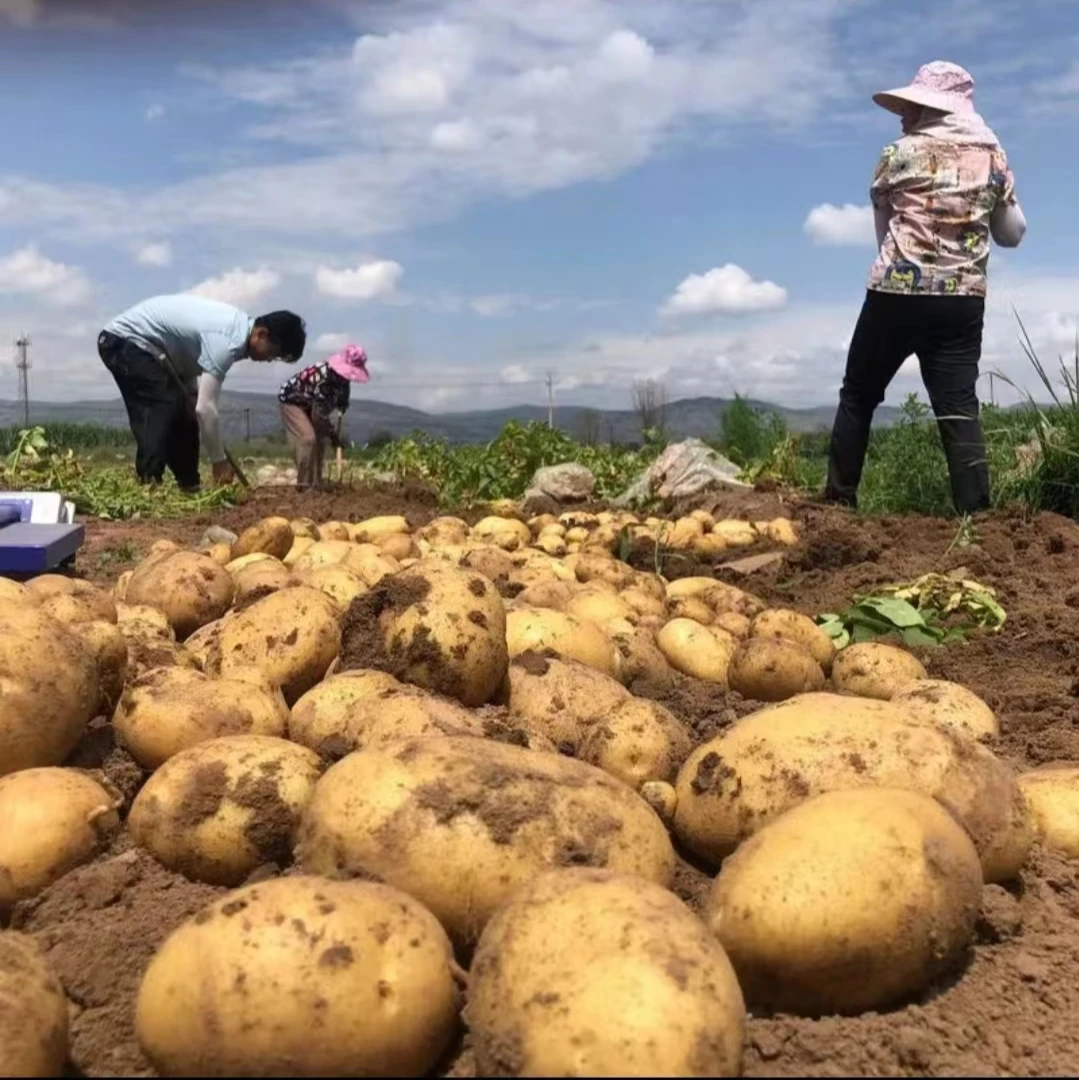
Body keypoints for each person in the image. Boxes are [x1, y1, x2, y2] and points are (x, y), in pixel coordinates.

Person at [825, 61, 1027, 515]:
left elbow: (884, 234)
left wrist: (908, 268)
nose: (903, 115)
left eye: (911, 107)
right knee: (958, 409)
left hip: (894, 294)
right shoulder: (992, 157)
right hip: (961, 302)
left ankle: (837, 508)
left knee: (858, 395)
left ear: (932, 109)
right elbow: (1012, 234)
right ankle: (976, 520)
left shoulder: (896, 154)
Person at [97, 295, 307, 492]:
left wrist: (190, 395)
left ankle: (189, 485)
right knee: (162, 405)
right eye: (272, 353)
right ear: (261, 334)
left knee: (186, 413)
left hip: (157, 351)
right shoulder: (227, 341)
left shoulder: (236, 332)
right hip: (123, 341)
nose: (269, 360)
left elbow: (187, 358)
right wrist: (219, 462)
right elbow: (206, 409)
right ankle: (148, 483)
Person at [278, 344, 369, 490]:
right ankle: (304, 485)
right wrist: (334, 437)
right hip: (292, 401)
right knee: (308, 438)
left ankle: (316, 482)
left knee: (320, 440)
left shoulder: (343, 380)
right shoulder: (323, 377)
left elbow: (342, 394)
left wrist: (342, 404)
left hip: (312, 404)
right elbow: (319, 416)